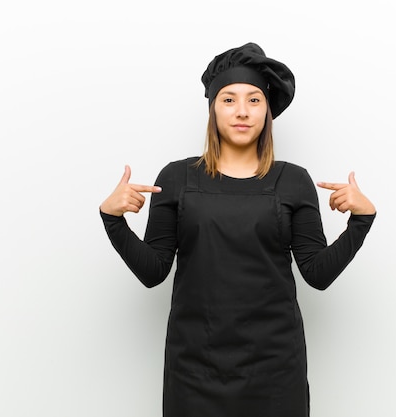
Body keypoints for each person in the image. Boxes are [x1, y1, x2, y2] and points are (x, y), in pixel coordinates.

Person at [99, 42, 376, 417]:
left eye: (254, 100)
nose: (242, 112)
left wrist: (361, 221)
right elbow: (153, 272)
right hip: (194, 368)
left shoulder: (293, 181)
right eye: (228, 100)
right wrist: (113, 220)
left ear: (268, 111)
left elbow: (317, 273)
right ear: (212, 109)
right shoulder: (177, 177)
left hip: (276, 369)